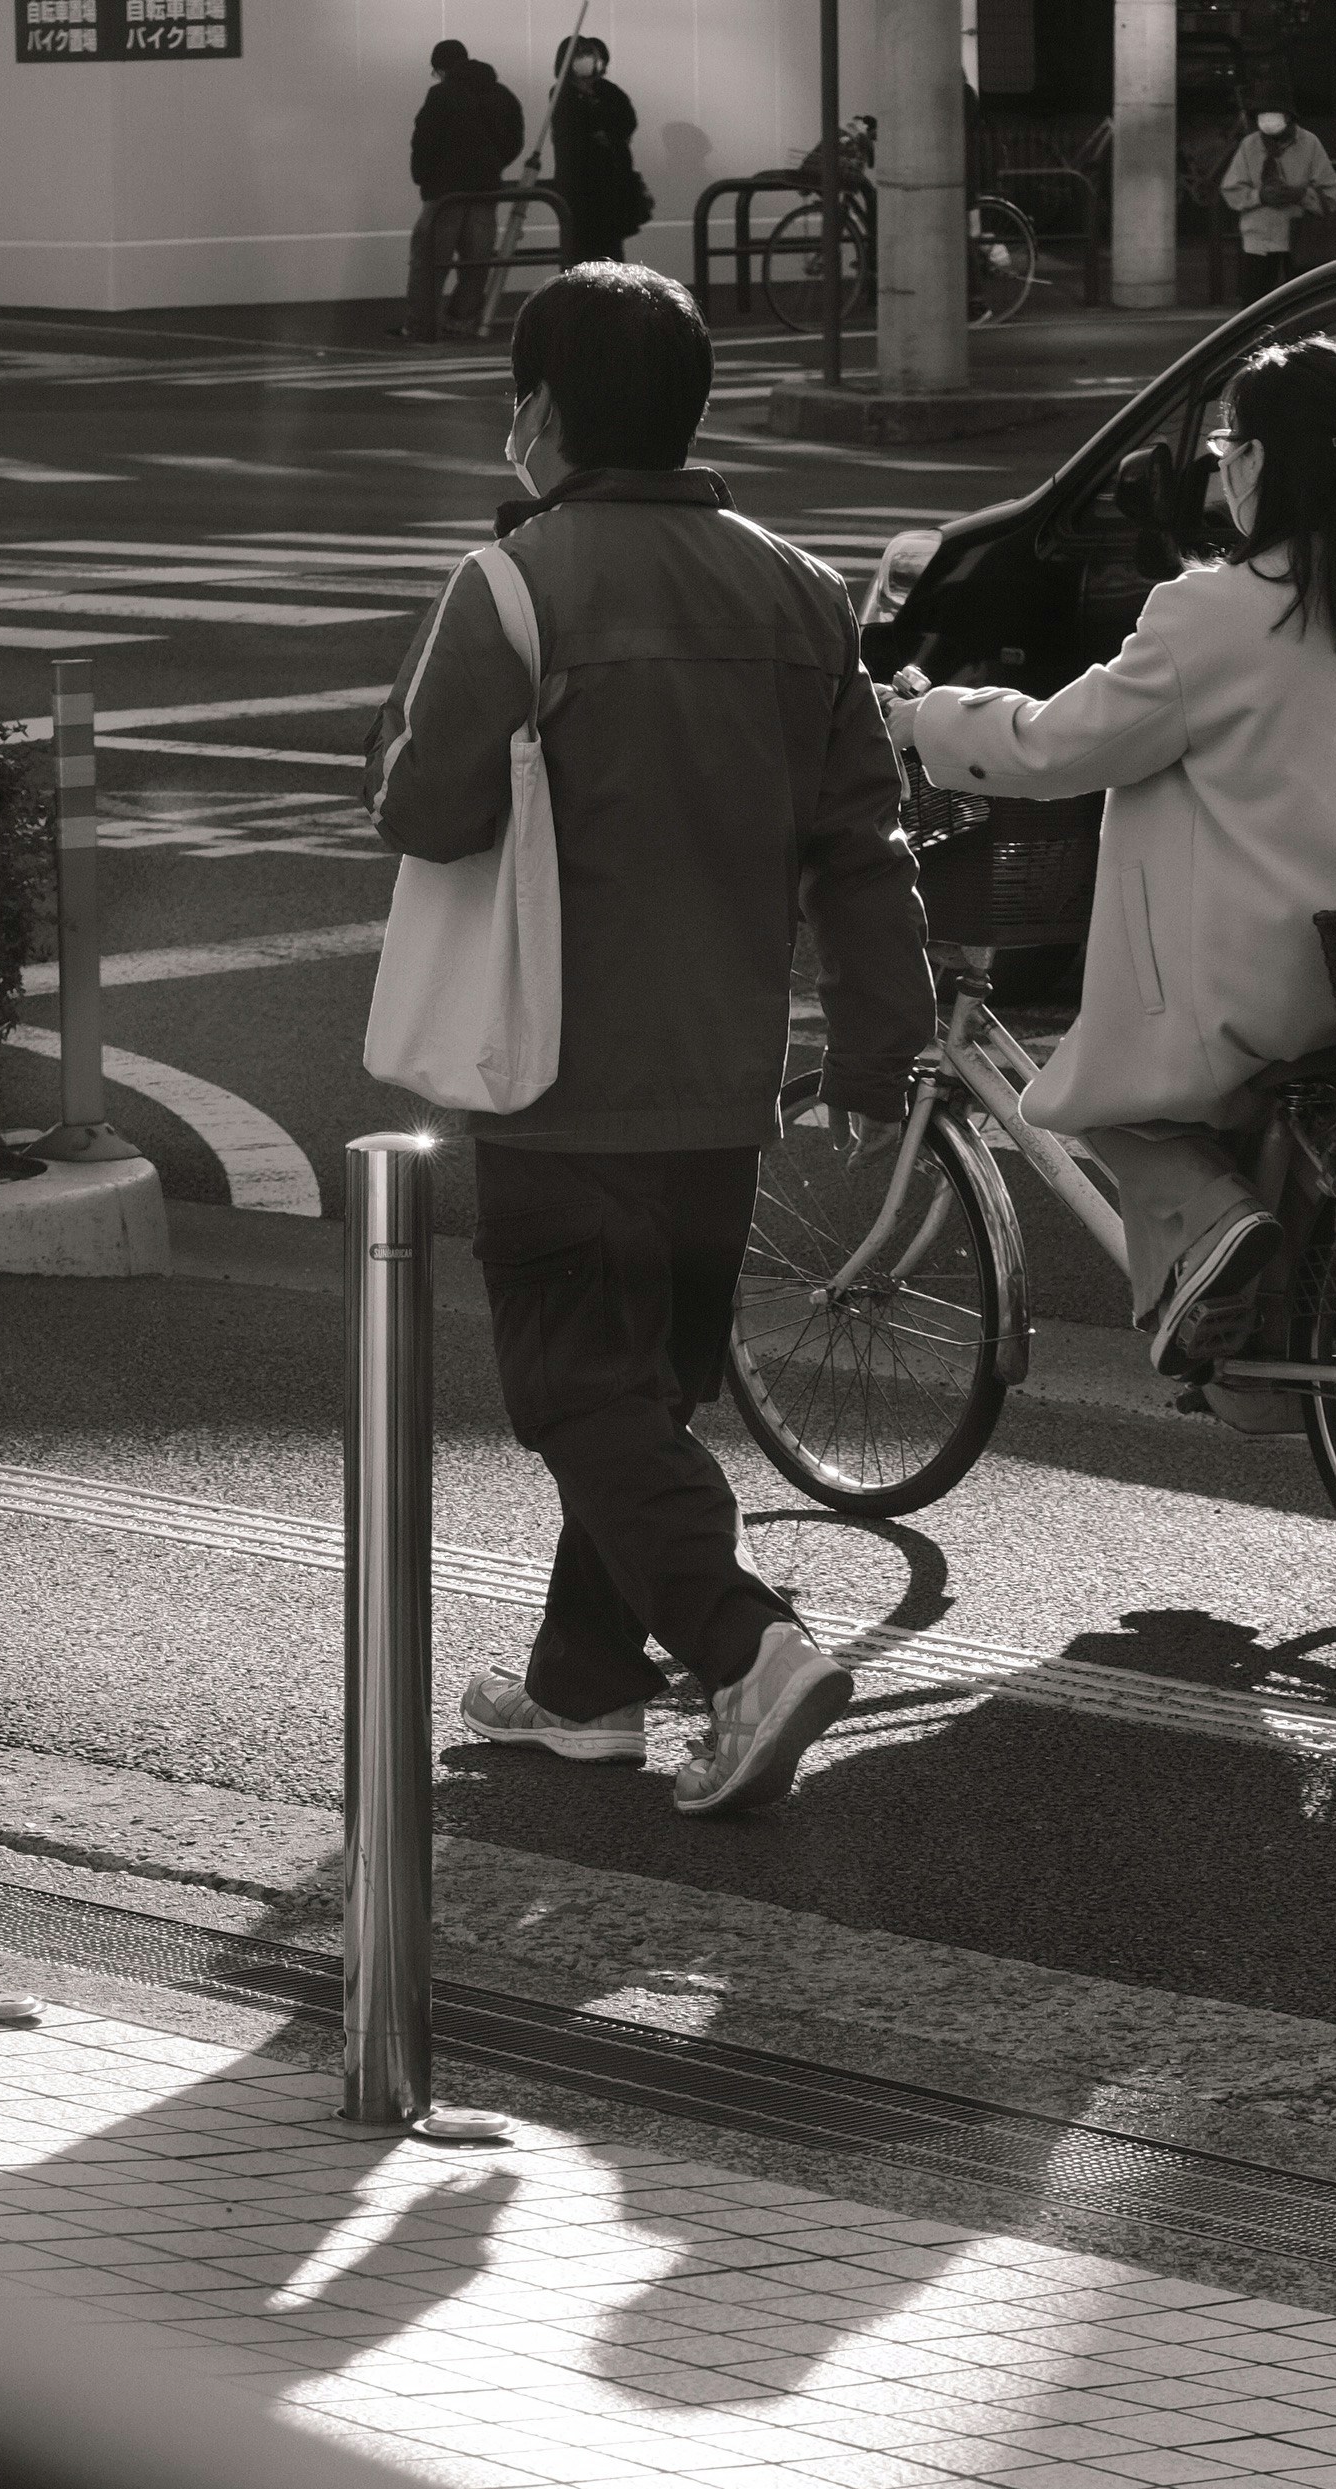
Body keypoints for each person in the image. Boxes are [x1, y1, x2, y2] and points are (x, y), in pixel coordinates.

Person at [369, 262, 933, 1818]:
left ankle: (746, 1646)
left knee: (577, 1390)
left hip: (556, 1076)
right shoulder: (798, 588)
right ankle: (581, 1687)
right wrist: (887, 1049)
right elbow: (865, 845)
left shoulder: (516, 583)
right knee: (643, 1387)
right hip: (723, 1084)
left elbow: (428, 806)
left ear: (541, 412)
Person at [886, 335, 1336, 1381]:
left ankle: (1211, 1227)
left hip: (1249, 980)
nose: (1222, 466)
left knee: (1085, 1094)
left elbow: (1054, 749)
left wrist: (920, 720)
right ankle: (1247, 1292)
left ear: (1262, 466)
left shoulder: (1214, 612)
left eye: (1232, 446)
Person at [401, 39, 521, 345]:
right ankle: (460, 321)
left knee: (429, 260)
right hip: (485, 192)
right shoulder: (501, 94)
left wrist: (424, 179)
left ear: (441, 68)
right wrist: (492, 166)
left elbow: (424, 142)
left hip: (445, 194)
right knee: (475, 263)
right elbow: (514, 139)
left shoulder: (440, 95)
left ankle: (422, 328)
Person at [544, 37, 649, 263]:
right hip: (579, 189)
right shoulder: (562, 94)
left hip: (612, 188)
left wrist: (607, 133)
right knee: (579, 254)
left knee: (611, 254)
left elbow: (626, 122)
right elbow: (576, 131)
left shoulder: (609, 91)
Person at [1219, 105, 1336, 298]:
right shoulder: (1250, 145)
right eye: (1262, 116)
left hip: (1300, 241)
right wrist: (1260, 196)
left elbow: (1330, 195)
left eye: (1273, 115)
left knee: (1301, 302)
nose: (1267, 121)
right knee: (1255, 304)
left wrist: (1300, 195)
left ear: (1289, 117)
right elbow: (1232, 190)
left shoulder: (1309, 143)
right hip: (1259, 241)